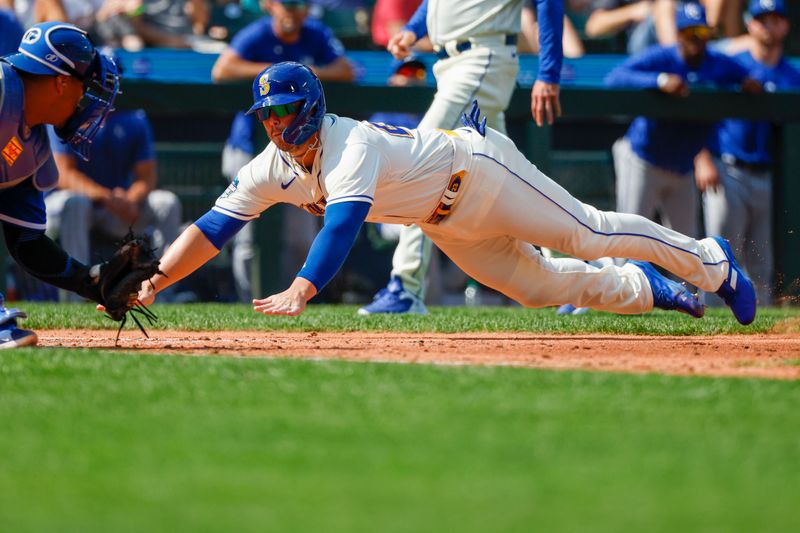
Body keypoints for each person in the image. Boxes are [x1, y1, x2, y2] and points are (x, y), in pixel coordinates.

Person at [136, 61, 758, 329]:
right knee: (537, 289)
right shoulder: (268, 166)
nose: (275, 123)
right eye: (266, 114)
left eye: (285, 110)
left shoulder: (347, 142)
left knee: (589, 232)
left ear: (312, 107)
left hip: (479, 172)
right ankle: (650, 289)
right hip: (446, 223)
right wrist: (153, 282)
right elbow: (213, 228)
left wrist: (304, 287)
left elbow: (343, 224)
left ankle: (711, 260)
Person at [360, 0, 565, 315]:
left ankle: (406, 286)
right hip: (452, 64)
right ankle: (573, 276)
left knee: (420, 163)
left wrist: (549, 72)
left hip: (481, 58)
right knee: (516, 181)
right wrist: (413, 31)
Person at [211, 0, 354, 302]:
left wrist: (302, 74)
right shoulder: (257, 34)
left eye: (298, 3)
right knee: (247, 235)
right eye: (284, 3)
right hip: (249, 146)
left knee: (301, 238)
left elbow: (346, 70)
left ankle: (294, 299)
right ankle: (249, 302)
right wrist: (278, 79)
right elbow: (222, 69)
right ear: (269, 6)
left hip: (300, 150)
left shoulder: (315, 33)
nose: (290, 10)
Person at [0, 22, 120, 347]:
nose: (87, 102)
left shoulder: (34, 147)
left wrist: (91, 281)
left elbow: (27, 242)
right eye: (86, 88)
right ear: (61, 83)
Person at [605, 2, 760, 242]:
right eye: (690, 33)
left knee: (686, 249)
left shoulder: (716, 61)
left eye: (702, 33)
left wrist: (748, 82)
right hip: (645, 160)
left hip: (684, 166)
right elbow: (615, 77)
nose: (697, 39)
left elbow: (747, 76)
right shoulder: (663, 57)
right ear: (678, 34)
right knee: (627, 239)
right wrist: (659, 80)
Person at [695, 0, 800, 306]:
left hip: (765, 174)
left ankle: (760, 325)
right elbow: (699, 108)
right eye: (761, 18)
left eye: (775, 18)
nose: (768, 25)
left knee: (761, 260)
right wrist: (701, 158)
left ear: (786, 25)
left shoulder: (790, 75)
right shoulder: (733, 63)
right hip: (725, 168)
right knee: (720, 253)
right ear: (750, 23)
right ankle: (709, 316)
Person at [44, 107, 182, 301]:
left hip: (118, 209)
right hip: (68, 209)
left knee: (167, 202)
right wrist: (107, 198)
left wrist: (131, 199)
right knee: (76, 203)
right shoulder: (66, 109)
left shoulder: (134, 117)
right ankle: (76, 296)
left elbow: (147, 176)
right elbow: (63, 174)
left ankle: (160, 293)